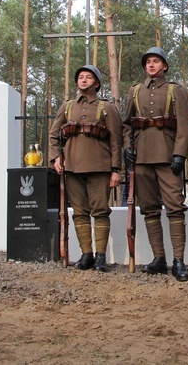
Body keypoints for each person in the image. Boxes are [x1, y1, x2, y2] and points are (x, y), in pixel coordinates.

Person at [122, 46, 188, 282]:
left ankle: (179, 261)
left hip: (167, 154)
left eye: (156, 61)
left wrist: (179, 154)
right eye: (148, 62)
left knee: (175, 206)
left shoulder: (176, 90)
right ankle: (159, 259)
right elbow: (126, 125)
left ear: (164, 65)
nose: (151, 65)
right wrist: (127, 148)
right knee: (149, 208)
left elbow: (185, 124)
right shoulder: (135, 91)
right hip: (142, 157)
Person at [49, 64, 123, 271]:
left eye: (88, 77)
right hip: (72, 166)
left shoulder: (106, 107)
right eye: (80, 77)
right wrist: (56, 156)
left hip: (100, 166)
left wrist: (116, 169)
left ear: (97, 83)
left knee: (100, 211)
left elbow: (116, 140)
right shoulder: (68, 107)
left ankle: (100, 257)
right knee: (79, 212)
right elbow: (54, 134)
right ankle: (86, 255)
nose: (83, 80)